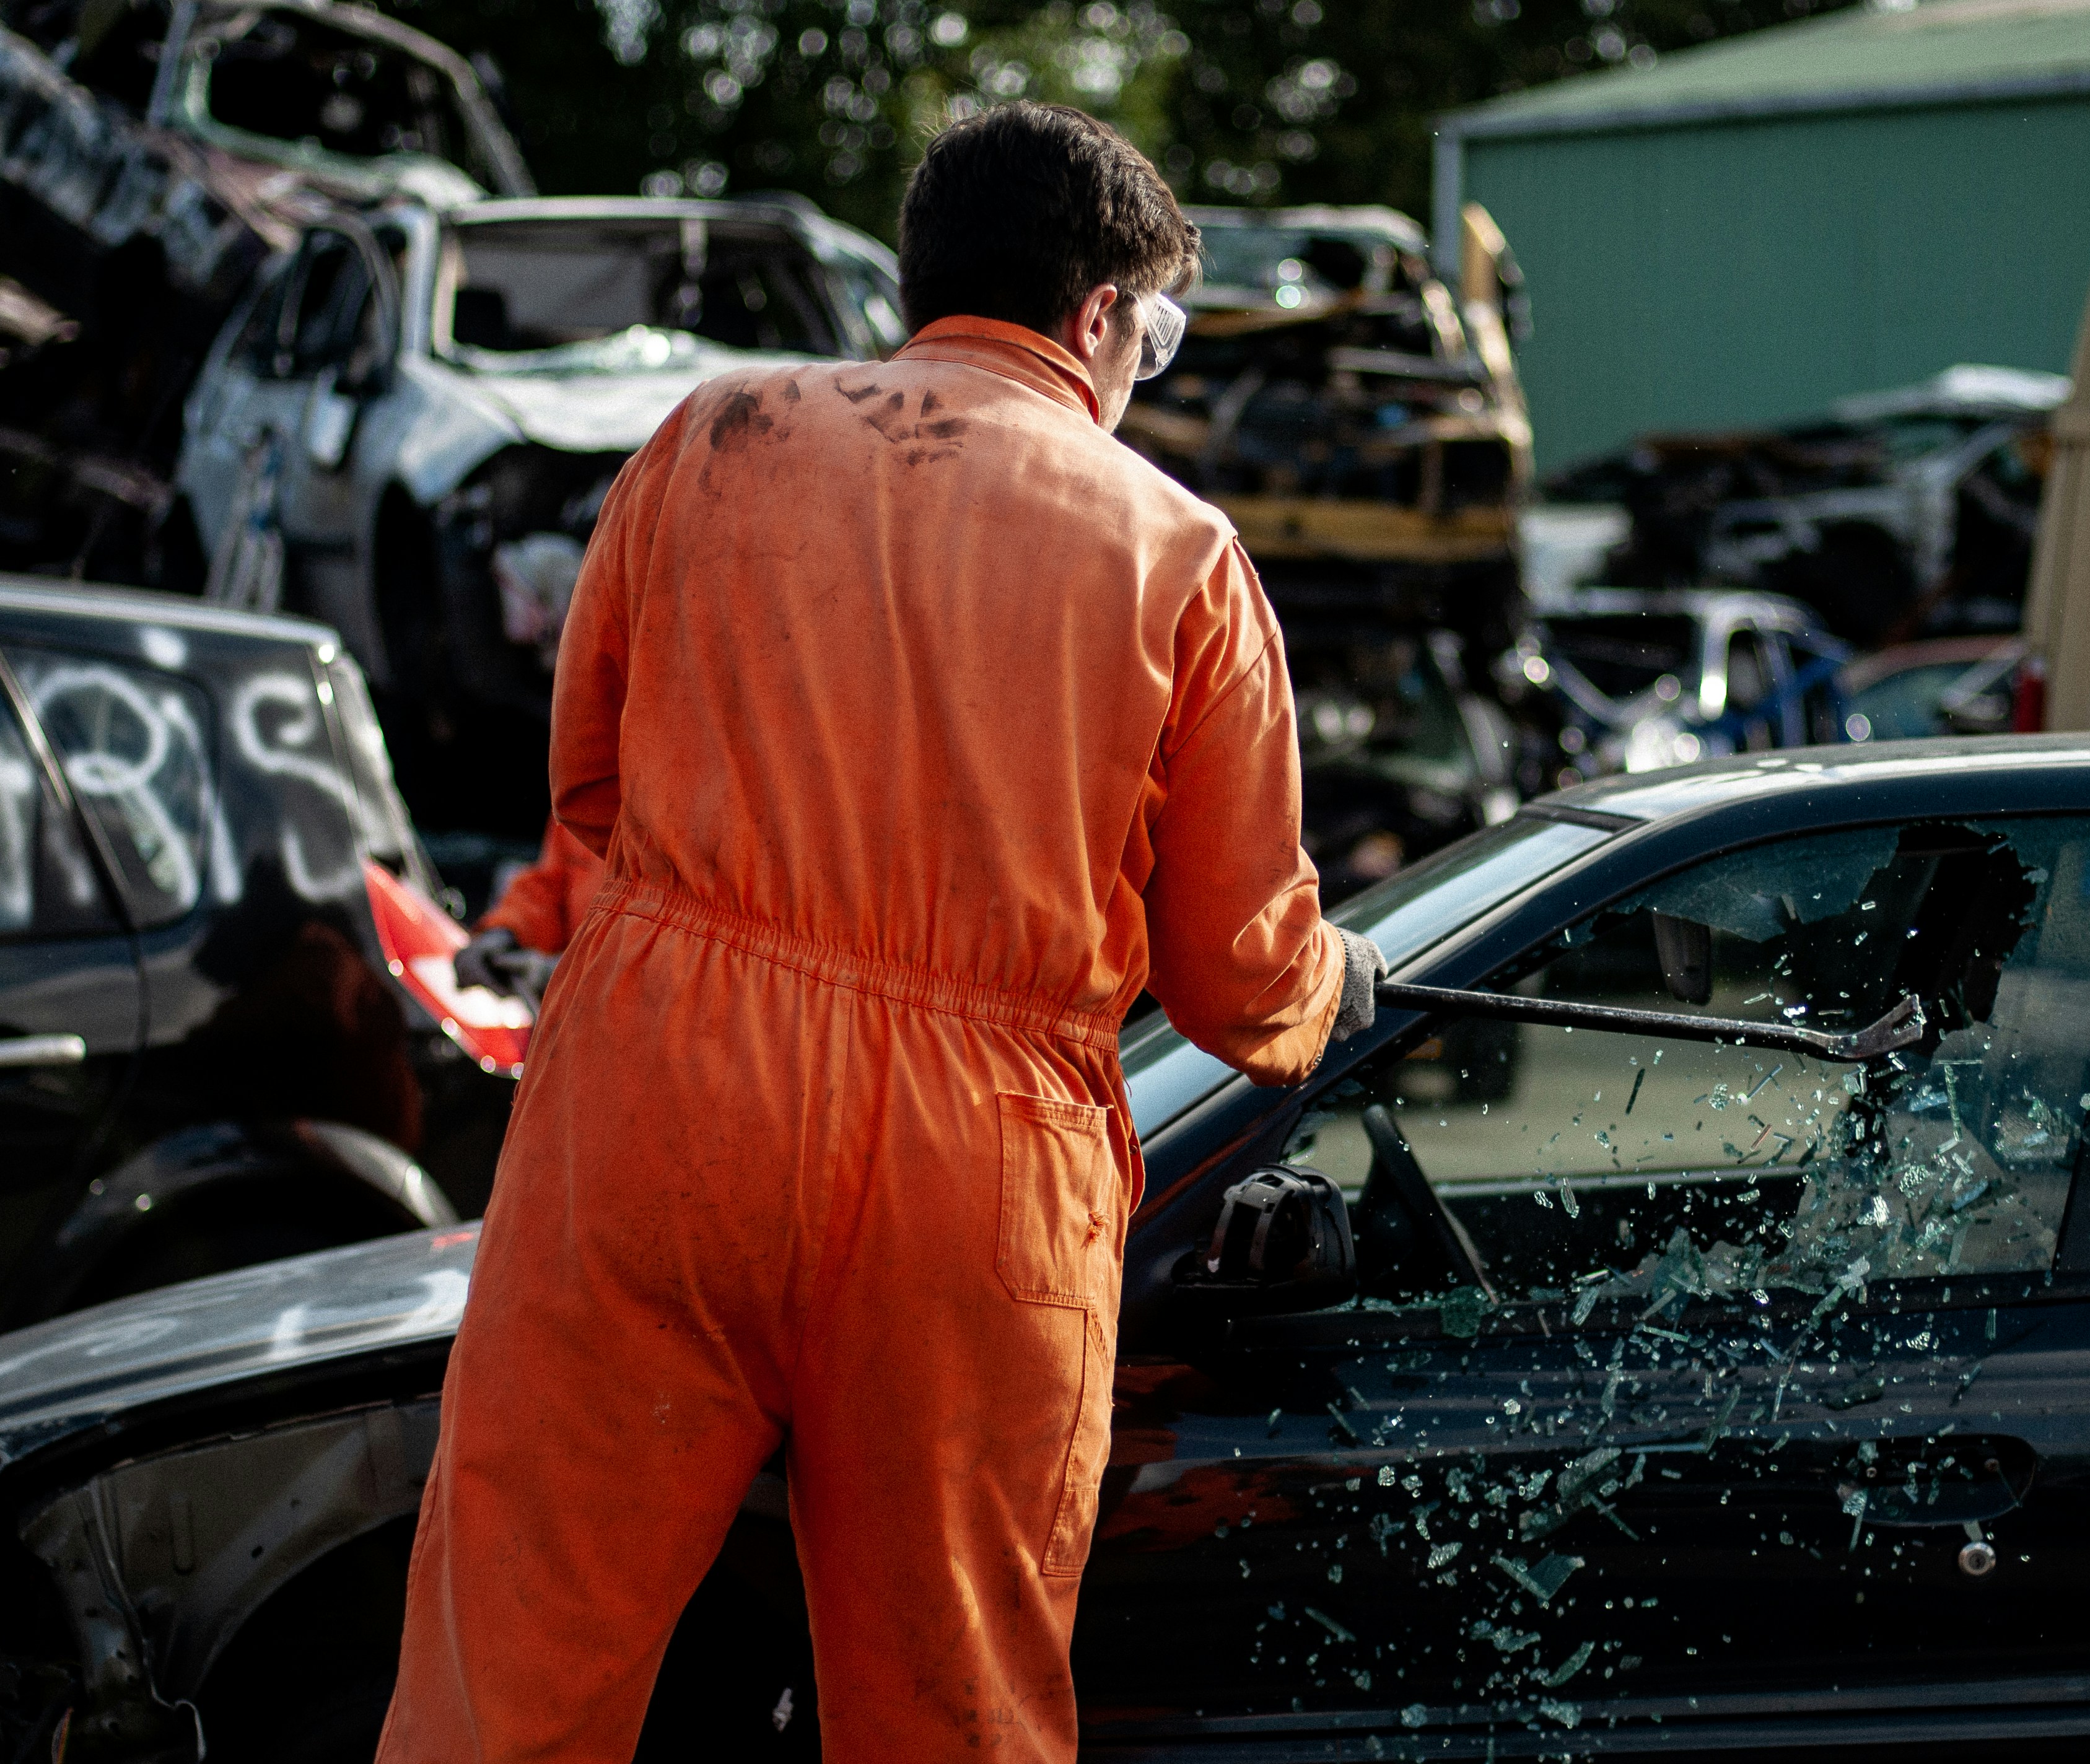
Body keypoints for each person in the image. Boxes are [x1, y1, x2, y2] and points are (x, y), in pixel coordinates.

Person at [377, 103, 1381, 1762]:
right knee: (953, 1713)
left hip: (656, 1109)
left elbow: (595, 795)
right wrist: (1336, 977)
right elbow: (1236, 979)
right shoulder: (1180, 555)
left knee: (510, 1678)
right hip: (973, 1186)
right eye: (1164, 329)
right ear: (1098, 318)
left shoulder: (715, 438)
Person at [450, 816, 601, 1004]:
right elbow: (550, 887)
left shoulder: (644, 805)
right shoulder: (584, 801)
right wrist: (505, 933)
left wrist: (565, 976)